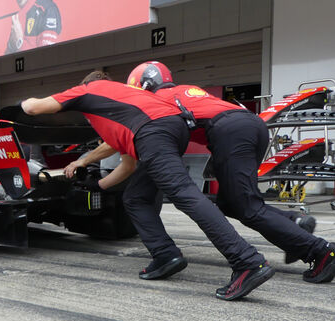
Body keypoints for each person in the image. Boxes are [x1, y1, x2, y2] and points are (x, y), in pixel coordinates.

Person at [21, 70, 274, 301]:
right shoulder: (126, 102)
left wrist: (21, 103)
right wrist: (96, 186)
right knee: (136, 197)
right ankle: (165, 255)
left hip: (155, 132)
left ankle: (247, 261)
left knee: (184, 194)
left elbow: (33, 108)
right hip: (171, 128)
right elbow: (127, 167)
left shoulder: (89, 89)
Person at [126, 61, 335, 285]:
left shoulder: (155, 101)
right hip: (251, 125)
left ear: (143, 86)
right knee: (232, 203)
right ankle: (294, 225)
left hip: (229, 133)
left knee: (248, 208)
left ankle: (320, 251)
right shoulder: (187, 89)